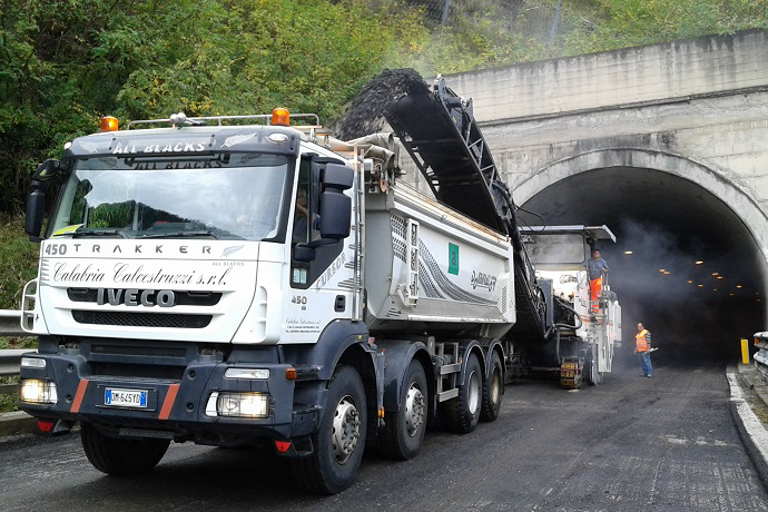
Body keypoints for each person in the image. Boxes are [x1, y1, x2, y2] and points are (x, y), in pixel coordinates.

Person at [587, 249, 609, 313]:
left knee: (596, 294)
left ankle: (595, 310)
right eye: (595, 253)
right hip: (590, 279)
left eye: (597, 253)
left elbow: (607, 269)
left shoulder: (602, 262)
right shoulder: (589, 261)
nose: (596, 255)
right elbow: (586, 268)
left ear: (599, 254)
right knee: (590, 294)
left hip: (598, 278)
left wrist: (604, 269)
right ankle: (591, 307)